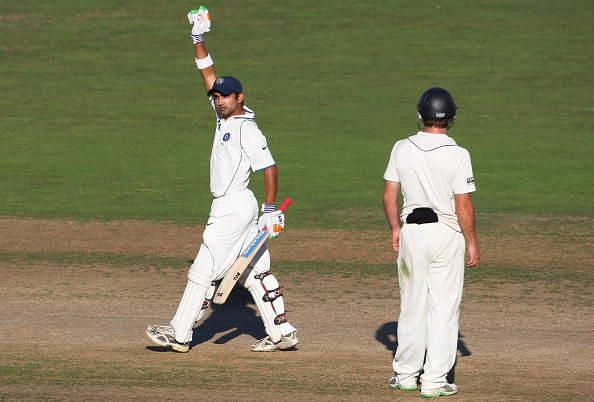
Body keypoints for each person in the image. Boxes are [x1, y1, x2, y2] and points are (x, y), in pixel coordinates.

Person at [146, 6, 298, 353]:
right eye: (215, 97)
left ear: (239, 98)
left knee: (203, 268)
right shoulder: (224, 118)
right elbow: (208, 73)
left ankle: (180, 333)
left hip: (233, 206)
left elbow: (269, 168)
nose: (218, 101)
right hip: (237, 206)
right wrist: (198, 38)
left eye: (224, 97)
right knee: (253, 270)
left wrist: (271, 209)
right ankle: (282, 332)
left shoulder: (246, 127)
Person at [382, 87, 480, 397]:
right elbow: (463, 205)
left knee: (412, 305)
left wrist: (395, 228)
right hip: (445, 235)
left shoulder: (401, 147)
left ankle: (407, 375)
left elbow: (389, 195)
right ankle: (435, 381)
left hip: (412, 233)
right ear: (452, 119)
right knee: (443, 309)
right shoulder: (458, 154)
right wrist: (472, 242)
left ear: (419, 115)